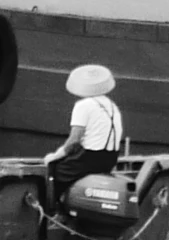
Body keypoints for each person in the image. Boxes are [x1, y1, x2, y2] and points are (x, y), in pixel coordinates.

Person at [43, 63, 124, 210]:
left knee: (55, 172)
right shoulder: (112, 105)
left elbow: (74, 140)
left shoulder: (83, 105)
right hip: (110, 158)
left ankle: (52, 212)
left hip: (90, 158)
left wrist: (55, 156)